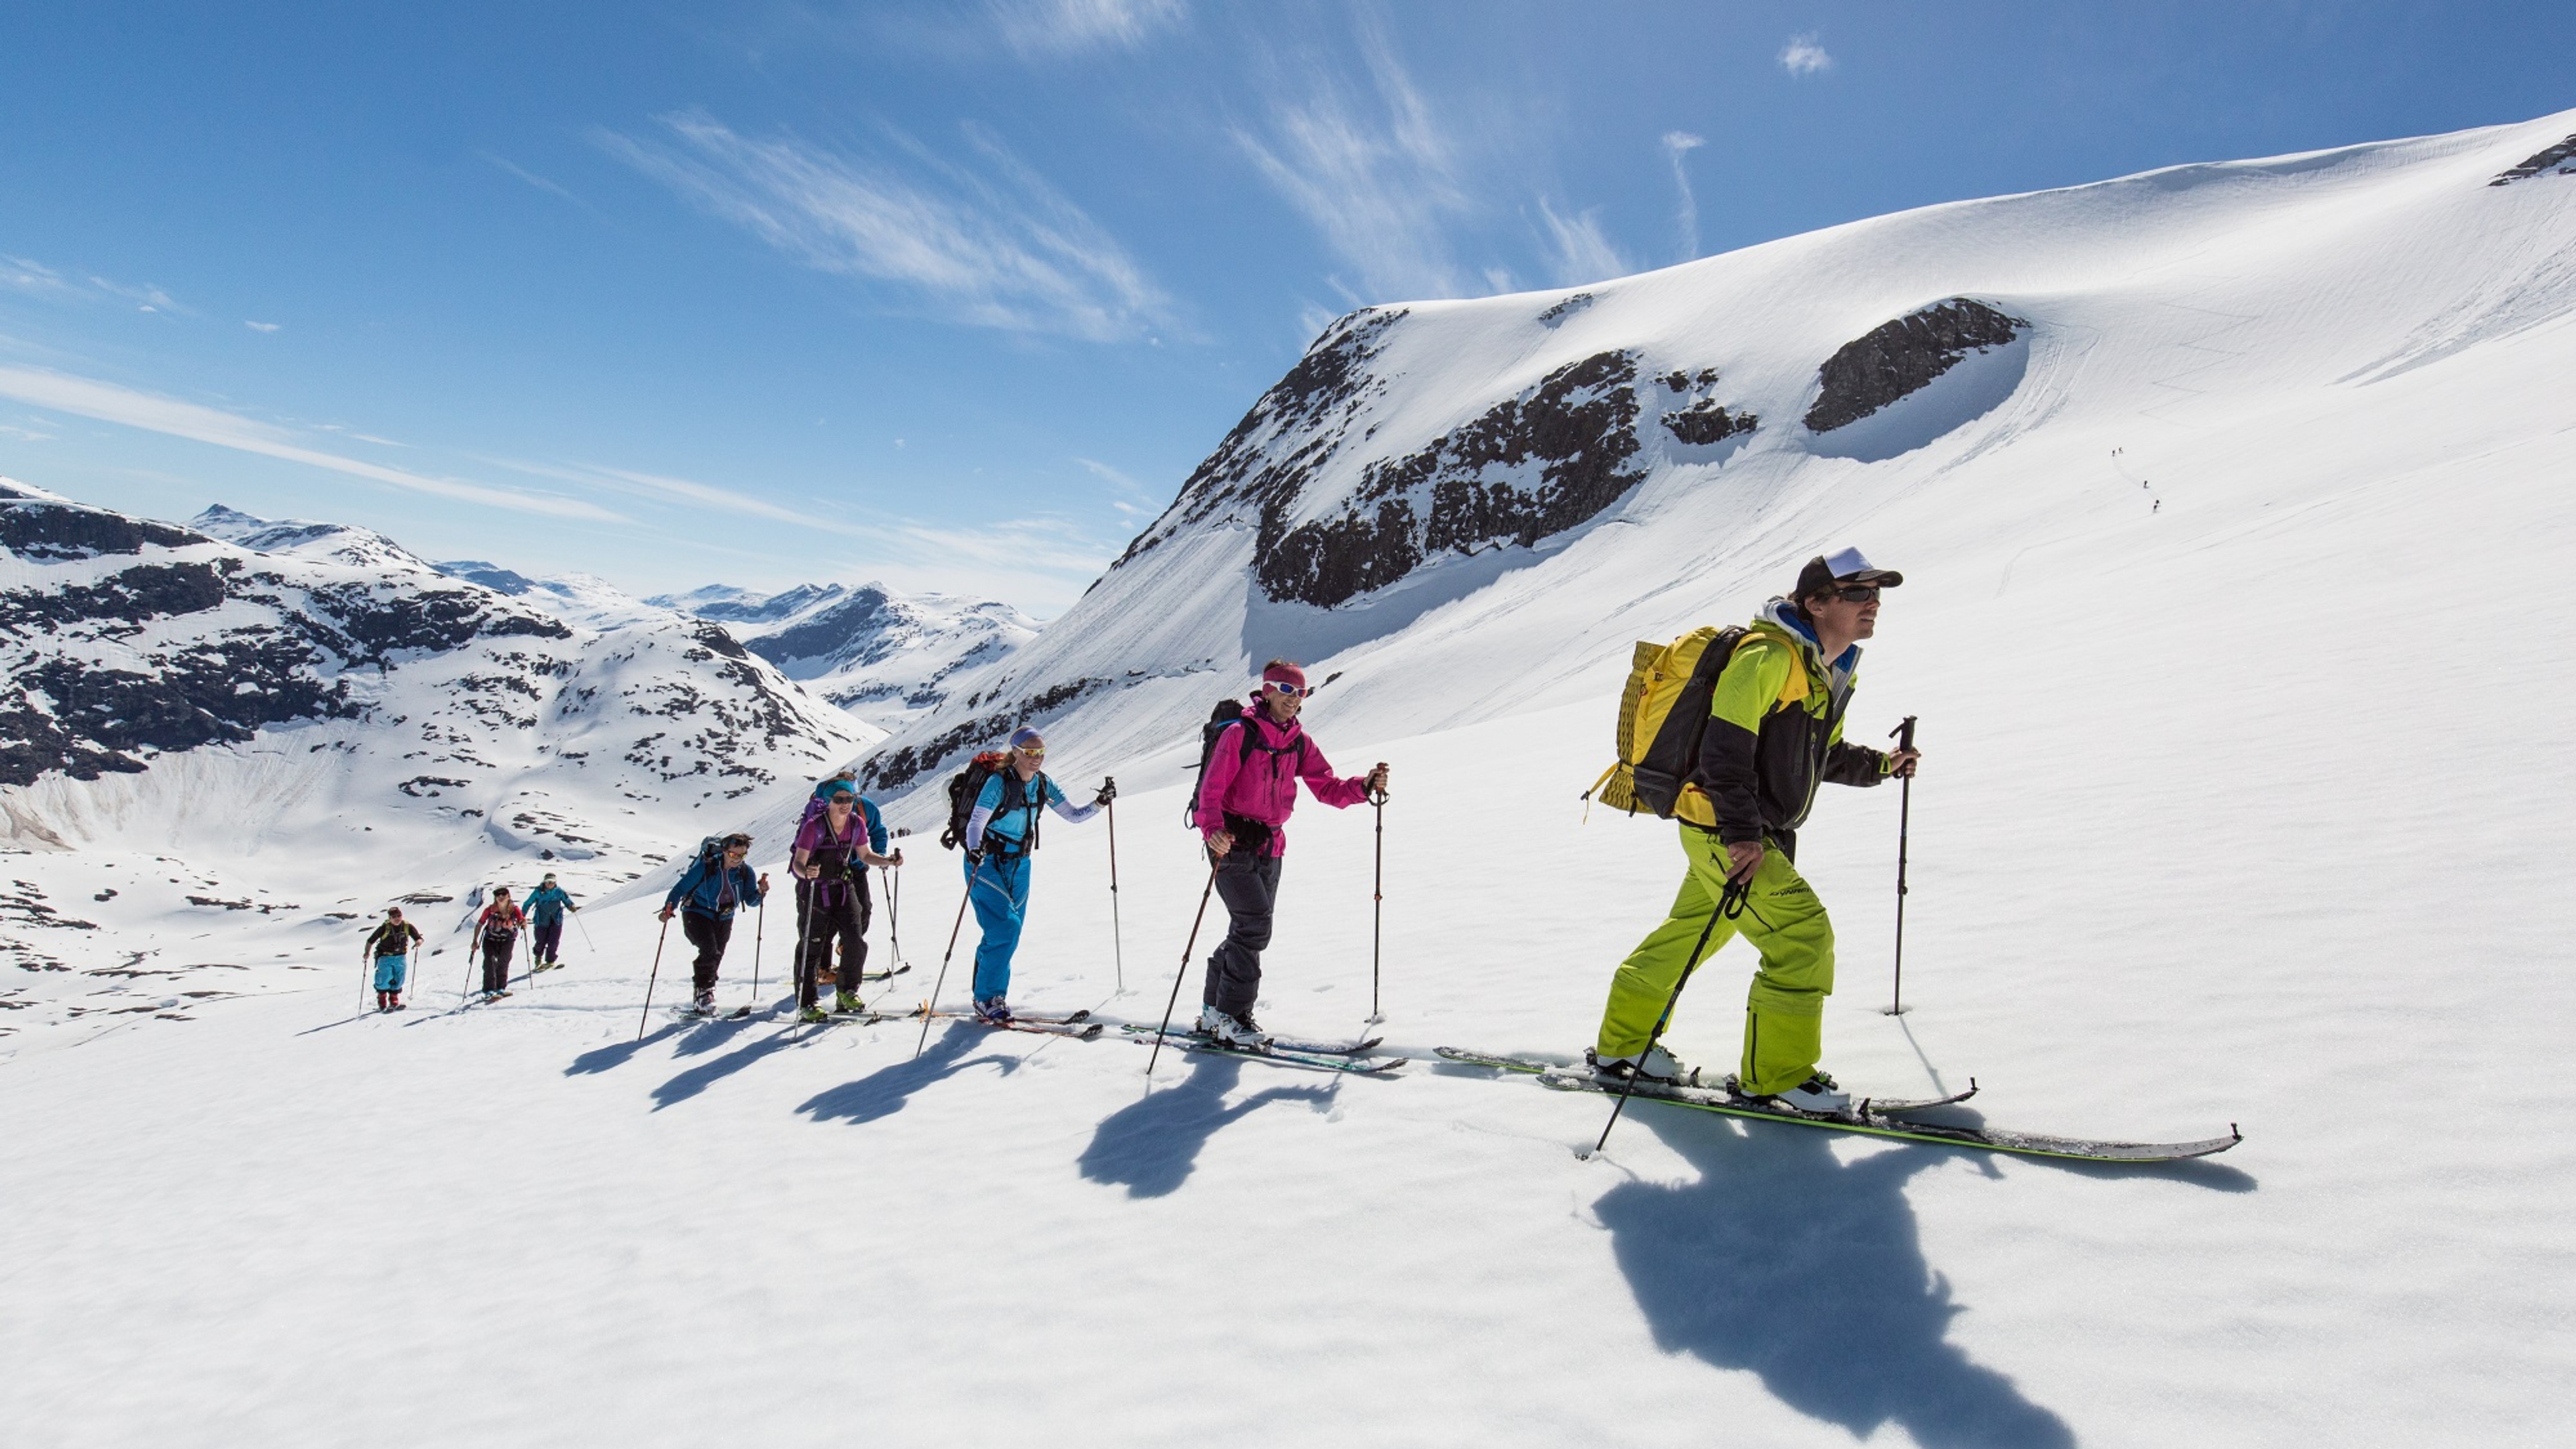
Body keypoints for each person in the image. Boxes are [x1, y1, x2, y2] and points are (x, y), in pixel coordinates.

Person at [1587, 548, 1922, 1112]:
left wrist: (1882, 765)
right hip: (1728, 831)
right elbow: (1725, 750)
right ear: (1816, 603)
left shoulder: (1823, 668)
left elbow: (1821, 755)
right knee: (1801, 938)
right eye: (1859, 594)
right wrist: (1743, 835)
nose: (1874, 604)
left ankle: (1622, 1048)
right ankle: (1777, 1076)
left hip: (1732, 830)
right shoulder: (1769, 657)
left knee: (1693, 932)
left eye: (1877, 593)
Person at [1191, 661, 1389, 1046]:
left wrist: (1363, 786)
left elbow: (1327, 787)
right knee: (1254, 926)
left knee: (1247, 928)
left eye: (1301, 692)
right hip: (1230, 844)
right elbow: (1210, 793)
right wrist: (1212, 830)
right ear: (1266, 691)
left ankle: (1213, 1011)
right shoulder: (1239, 734)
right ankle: (1233, 1016)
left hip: (1271, 846)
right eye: (1286, 689)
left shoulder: (1299, 742)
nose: (1294, 698)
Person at [959, 727, 1112, 1023]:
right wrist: (975, 849)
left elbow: (1073, 815)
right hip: (986, 862)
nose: (1036, 758)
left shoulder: (1043, 784)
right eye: (1030, 752)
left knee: (1006, 931)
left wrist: (1099, 803)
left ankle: (987, 992)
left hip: (1020, 864)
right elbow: (977, 821)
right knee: (1006, 928)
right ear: (1015, 752)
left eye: (1040, 752)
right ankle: (987, 997)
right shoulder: (997, 782)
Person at [791, 784, 904, 1022]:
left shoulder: (856, 823)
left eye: (849, 799)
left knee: (855, 940)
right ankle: (807, 1002)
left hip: (843, 888)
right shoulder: (814, 826)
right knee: (812, 946)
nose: (845, 803)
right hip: (814, 891)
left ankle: (847, 990)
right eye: (840, 799)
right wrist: (806, 872)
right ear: (829, 800)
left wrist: (888, 860)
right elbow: (797, 862)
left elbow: (864, 855)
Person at [659, 835, 768, 1014]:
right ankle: (704, 996)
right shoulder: (706, 867)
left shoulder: (745, 872)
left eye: (742, 856)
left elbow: (751, 901)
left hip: (725, 918)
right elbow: (680, 889)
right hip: (697, 912)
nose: (738, 860)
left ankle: (704, 994)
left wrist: (761, 892)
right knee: (710, 950)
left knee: (716, 955)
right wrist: (668, 909)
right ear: (724, 851)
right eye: (734, 855)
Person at [364, 906, 423, 1012]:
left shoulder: (407, 926)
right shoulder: (384, 928)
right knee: (384, 978)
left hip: (400, 956)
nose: (397, 918)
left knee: (399, 978)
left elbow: (418, 937)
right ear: (390, 918)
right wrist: (367, 953)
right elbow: (370, 941)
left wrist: (418, 942)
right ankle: (382, 1000)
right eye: (394, 917)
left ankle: (394, 1000)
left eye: (399, 916)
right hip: (385, 957)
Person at [476, 887, 527, 998]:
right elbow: (480, 924)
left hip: (507, 939)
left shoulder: (514, 910)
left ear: (508, 896)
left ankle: (500, 988)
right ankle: (489, 990)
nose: (501, 897)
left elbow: (521, 919)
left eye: (504, 894)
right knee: (490, 962)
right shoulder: (489, 910)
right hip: (490, 939)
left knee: (504, 962)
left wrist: (523, 923)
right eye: (498, 895)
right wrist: (475, 941)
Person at [523, 873, 577, 969]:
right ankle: (538, 957)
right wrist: (522, 916)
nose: (550, 884)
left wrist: (571, 906)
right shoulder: (538, 892)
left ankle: (550, 961)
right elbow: (528, 903)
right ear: (544, 882)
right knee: (540, 941)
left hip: (556, 920)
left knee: (554, 941)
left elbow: (566, 900)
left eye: (552, 882)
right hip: (541, 921)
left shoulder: (559, 892)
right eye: (548, 882)